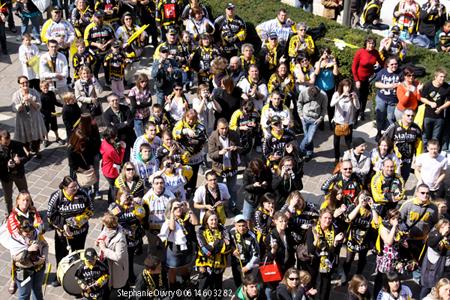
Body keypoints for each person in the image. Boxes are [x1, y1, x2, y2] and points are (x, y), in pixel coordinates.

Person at [47, 176, 94, 287]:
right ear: (64, 187)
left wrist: (79, 220)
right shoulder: (56, 197)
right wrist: (64, 224)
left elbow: (91, 209)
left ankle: (78, 277)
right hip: (63, 236)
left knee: (78, 256)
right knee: (61, 255)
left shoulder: (83, 193)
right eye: (72, 187)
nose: (75, 189)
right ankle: (59, 277)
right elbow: (50, 216)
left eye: (76, 186)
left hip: (80, 233)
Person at [399, 184, 439, 282]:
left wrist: (431, 234)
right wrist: (402, 233)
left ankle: (417, 278)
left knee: (419, 259)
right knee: (404, 258)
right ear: (417, 193)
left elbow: (435, 223)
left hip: (422, 240)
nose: (425, 195)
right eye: (422, 193)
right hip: (407, 238)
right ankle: (400, 276)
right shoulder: (408, 204)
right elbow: (399, 219)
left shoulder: (433, 207)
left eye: (427, 193)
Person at [306, 208, 345, 300]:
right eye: (325, 218)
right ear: (320, 218)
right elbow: (311, 250)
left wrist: (335, 242)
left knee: (325, 286)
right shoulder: (312, 230)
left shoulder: (334, 230)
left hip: (327, 263)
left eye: (330, 218)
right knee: (315, 285)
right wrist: (316, 240)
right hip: (314, 263)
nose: (327, 221)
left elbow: (334, 251)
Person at [160, 199, 198, 290]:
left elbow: (196, 222)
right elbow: (172, 227)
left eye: (180, 206)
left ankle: (186, 283)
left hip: (185, 248)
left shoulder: (186, 216)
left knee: (184, 265)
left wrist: (189, 209)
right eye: (175, 207)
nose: (178, 209)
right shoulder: (169, 219)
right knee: (172, 268)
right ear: (171, 209)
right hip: (174, 250)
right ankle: (173, 288)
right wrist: (173, 213)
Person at [108, 191, 145, 284]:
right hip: (120, 240)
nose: (127, 198)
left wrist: (134, 203)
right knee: (120, 259)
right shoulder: (114, 207)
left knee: (130, 258)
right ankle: (119, 277)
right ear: (119, 197)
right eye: (125, 196)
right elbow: (111, 220)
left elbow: (142, 214)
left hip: (132, 239)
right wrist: (121, 204)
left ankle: (130, 277)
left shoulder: (134, 206)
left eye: (129, 196)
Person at [342, 191, 378, 283]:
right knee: (349, 259)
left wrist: (372, 207)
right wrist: (359, 205)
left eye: (366, 198)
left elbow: (377, 222)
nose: (364, 200)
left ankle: (358, 275)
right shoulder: (353, 207)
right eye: (362, 197)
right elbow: (348, 218)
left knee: (362, 259)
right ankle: (345, 275)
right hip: (352, 239)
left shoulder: (371, 210)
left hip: (365, 240)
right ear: (358, 198)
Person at [208, 118, 241, 214]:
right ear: (217, 127)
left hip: (232, 166)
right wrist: (220, 152)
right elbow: (211, 154)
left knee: (232, 189)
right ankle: (219, 208)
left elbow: (241, 148)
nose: (224, 130)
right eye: (222, 128)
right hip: (219, 169)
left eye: (226, 128)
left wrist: (236, 148)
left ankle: (233, 206)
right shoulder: (212, 137)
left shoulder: (234, 134)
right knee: (217, 189)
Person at [9, 219, 48, 300]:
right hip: (24, 271)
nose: (29, 234)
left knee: (37, 290)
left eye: (31, 231)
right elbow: (15, 257)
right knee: (24, 294)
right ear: (21, 230)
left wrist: (44, 257)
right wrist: (28, 250)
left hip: (39, 268)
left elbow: (45, 245)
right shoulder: (15, 239)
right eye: (26, 232)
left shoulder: (37, 234)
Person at [12, 75, 47, 158]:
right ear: (19, 84)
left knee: (37, 136)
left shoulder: (34, 92)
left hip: (35, 118)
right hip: (23, 120)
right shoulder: (16, 95)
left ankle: (37, 150)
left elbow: (39, 106)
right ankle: (27, 152)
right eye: (23, 83)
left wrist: (31, 101)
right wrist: (23, 103)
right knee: (25, 137)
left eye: (26, 82)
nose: (25, 84)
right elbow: (14, 109)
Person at [172, 109, 207, 191]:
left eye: (193, 119)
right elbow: (174, 133)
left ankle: (192, 189)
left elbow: (204, 139)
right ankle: (183, 190)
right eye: (189, 119)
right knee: (183, 175)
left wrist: (196, 141)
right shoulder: (180, 123)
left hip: (196, 156)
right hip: (183, 156)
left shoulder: (200, 126)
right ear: (185, 117)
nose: (191, 121)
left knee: (194, 175)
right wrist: (185, 131)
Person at [95, 212, 128, 299]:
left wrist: (104, 249)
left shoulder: (120, 239)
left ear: (109, 225)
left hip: (116, 267)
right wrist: (99, 240)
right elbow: (103, 233)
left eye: (105, 224)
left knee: (116, 287)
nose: (104, 226)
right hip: (106, 262)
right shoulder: (108, 228)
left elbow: (118, 257)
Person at [384, 108, 422, 182]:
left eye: (412, 116)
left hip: (408, 159)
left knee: (404, 178)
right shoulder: (394, 127)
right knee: (391, 177)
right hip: (394, 158)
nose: (410, 117)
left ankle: (401, 191)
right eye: (408, 115)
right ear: (403, 116)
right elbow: (384, 141)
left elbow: (419, 144)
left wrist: (418, 158)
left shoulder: (416, 128)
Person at [352, 37, 383, 120]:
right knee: (357, 98)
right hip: (358, 78)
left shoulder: (375, 52)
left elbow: (381, 63)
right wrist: (357, 80)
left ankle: (362, 113)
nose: (371, 45)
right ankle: (355, 117)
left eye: (373, 43)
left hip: (368, 79)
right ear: (366, 43)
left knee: (365, 97)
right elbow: (354, 67)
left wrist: (388, 69)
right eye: (369, 43)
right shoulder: (360, 52)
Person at [142, 175, 176, 250]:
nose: (159, 185)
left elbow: (174, 211)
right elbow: (142, 213)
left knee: (164, 248)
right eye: (156, 183)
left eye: (161, 183)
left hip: (165, 227)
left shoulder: (170, 196)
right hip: (151, 228)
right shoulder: (146, 197)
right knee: (152, 248)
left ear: (164, 184)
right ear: (152, 185)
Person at [0, 130, 28, 215]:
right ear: (0, 141)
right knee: (8, 198)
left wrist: (20, 160)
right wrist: (6, 165)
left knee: (25, 194)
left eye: (8, 142)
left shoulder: (17, 145)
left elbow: (26, 157)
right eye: (5, 143)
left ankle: (29, 211)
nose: (7, 144)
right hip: (6, 177)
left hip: (18, 174)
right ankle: (9, 214)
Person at [331, 80, 360, 163]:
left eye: (349, 86)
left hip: (348, 122)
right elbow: (331, 104)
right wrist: (341, 96)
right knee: (336, 142)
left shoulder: (352, 95)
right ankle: (337, 157)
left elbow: (357, 107)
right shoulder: (337, 94)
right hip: (338, 122)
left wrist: (355, 98)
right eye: (346, 86)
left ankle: (351, 157)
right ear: (342, 86)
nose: (348, 88)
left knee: (349, 142)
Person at [420, 68, 450, 147]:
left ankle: (434, 153)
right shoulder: (428, 85)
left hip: (439, 116)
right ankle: (425, 152)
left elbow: (449, 101)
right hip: (427, 115)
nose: (443, 79)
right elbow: (422, 98)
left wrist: (441, 108)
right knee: (426, 136)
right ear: (435, 77)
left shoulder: (447, 87)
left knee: (435, 137)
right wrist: (430, 103)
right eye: (441, 77)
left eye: (444, 77)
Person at [84, 10, 115, 85]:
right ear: (94, 17)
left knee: (107, 67)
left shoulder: (108, 25)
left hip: (106, 51)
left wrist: (107, 44)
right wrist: (97, 45)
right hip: (94, 52)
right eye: (98, 17)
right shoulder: (89, 28)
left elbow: (113, 38)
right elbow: (86, 41)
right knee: (95, 68)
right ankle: (95, 82)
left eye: (101, 17)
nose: (99, 19)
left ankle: (108, 82)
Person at [420, 220, 450, 299]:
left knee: (444, 287)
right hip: (432, 266)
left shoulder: (448, 236)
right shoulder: (433, 234)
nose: (447, 229)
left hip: (446, 267)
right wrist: (441, 235)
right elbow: (434, 245)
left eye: (448, 227)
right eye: (444, 227)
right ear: (440, 226)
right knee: (427, 286)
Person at [374, 56, 402, 139]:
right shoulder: (382, 72)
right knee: (380, 117)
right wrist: (388, 86)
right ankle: (379, 133)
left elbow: (404, 83)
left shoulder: (400, 73)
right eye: (392, 64)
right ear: (387, 65)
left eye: (396, 64)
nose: (394, 66)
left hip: (393, 100)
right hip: (381, 98)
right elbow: (376, 84)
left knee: (391, 118)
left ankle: (389, 135)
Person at [229, 214, 260, 288]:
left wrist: (248, 267)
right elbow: (228, 244)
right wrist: (233, 250)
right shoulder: (231, 232)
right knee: (238, 282)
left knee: (247, 283)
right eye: (239, 226)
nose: (241, 228)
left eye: (243, 225)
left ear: (246, 224)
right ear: (235, 225)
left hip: (247, 263)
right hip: (236, 263)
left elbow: (256, 254)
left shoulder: (251, 236)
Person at [103, 93, 135, 162]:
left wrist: (117, 125)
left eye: (116, 100)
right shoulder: (106, 114)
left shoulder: (126, 109)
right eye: (113, 101)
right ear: (109, 103)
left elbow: (131, 123)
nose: (115, 102)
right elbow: (111, 129)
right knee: (124, 158)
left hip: (130, 135)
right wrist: (124, 123)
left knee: (138, 152)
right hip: (119, 138)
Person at [297, 86, 327, 160]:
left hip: (315, 120)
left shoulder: (323, 95)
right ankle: (309, 152)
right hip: (304, 118)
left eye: (314, 97)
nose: (313, 99)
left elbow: (324, 109)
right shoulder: (303, 92)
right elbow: (299, 103)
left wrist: (321, 118)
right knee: (307, 136)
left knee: (309, 138)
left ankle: (299, 151)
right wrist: (300, 114)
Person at [100, 127, 126, 203]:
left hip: (105, 168)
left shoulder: (104, 141)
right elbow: (119, 161)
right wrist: (123, 149)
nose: (115, 138)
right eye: (114, 137)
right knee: (114, 189)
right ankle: (112, 203)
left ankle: (110, 201)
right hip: (111, 172)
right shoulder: (110, 150)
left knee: (111, 187)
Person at [314, 48, 339, 124]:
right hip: (320, 89)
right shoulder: (317, 63)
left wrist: (334, 63)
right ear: (321, 54)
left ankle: (331, 122)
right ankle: (321, 123)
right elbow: (316, 73)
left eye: (328, 53)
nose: (326, 55)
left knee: (330, 107)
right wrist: (321, 61)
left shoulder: (332, 63)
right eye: (324, 53)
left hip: (330, 88)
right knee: (321, 106)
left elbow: (336, 73)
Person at [39, 80, 64, 147]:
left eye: (47, 87)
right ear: (41, 88)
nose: (46, 89)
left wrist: (62, 105)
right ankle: (46, 139)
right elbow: (41, 109)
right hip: (45, 115)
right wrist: (49, 114)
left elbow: (55, 102)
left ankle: (57, 137)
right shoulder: (41, 97)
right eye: (44, 88)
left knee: (55, 126)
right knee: (46, 128)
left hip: (53, 114)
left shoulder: (51, 93)